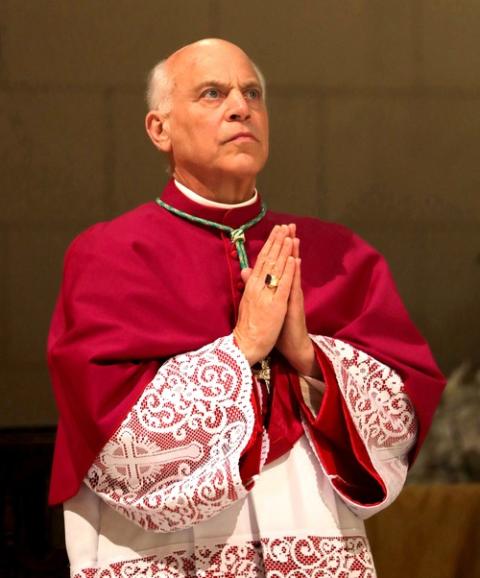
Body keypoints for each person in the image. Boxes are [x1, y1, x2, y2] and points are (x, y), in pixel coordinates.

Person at [48, 38, 445, 578]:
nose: (241, 107)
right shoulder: (111, 256)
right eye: (213, 93)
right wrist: (242, 348)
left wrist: (308, 356)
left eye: (252, 93)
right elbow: (112, 439)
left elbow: (401, 417)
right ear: (159, 129)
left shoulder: (338, 254)